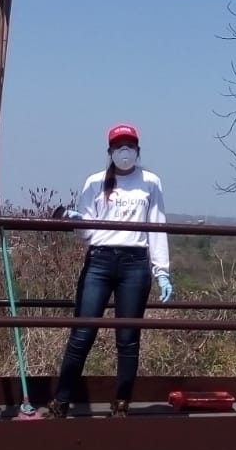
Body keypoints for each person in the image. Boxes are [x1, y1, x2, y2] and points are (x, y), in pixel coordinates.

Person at [48, 123, 172, 418]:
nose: (124, 151)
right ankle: (61, 401)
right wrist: (78, 221)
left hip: (135, 263)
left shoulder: (151, 182)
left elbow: (157, 226)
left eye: (129, 145)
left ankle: (121, 403)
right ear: (110, 151)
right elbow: (87, 232)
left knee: (128, 337)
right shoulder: (94, 182)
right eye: (118, 146)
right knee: (82, 333)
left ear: (138, 150)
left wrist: (162, 270)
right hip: (100, 261)